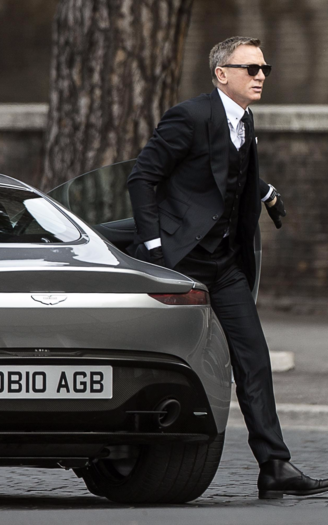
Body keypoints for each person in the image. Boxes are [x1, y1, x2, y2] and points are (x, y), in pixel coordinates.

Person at [127, 35, 328, 499]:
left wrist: (264, 190)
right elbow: (143, 177)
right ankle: (136, 453)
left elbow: (226, 171)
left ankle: (274, 466)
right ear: (222, 74)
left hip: (224, 264)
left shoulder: (243, 120)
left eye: (264, 69)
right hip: (181, 262)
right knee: (167, 358)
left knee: (254, 361)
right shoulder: (190, 115)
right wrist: (157, 249)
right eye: (251, 69)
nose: (261, 77)